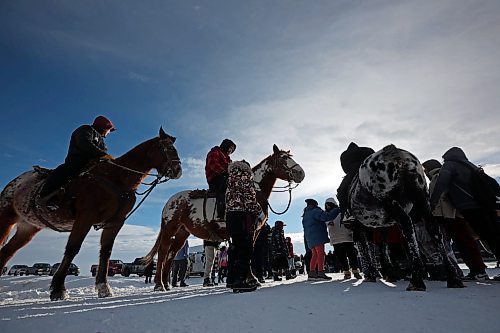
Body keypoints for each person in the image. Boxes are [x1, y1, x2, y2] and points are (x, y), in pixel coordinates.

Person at [429, 147, 500, 270]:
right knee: (494, 235)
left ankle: (478, 270)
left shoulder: (449, 165)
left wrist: (432, 203)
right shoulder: (470, 165)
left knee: (486, 236)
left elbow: (441, 183)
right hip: (486, 204)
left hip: (469, 206)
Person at [423, 159, 488, 280]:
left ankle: (478, 270)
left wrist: (435, 212)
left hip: (449, 216)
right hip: (452, 215)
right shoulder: (440, 177)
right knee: (463, 243)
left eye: (425, 169)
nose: (425, 172)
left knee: (463, 242)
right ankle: (476, 270)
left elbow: (442, 198)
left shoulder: (439, 177)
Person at [39, 116, 116, 206]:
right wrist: (103, 154)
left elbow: (103, 154)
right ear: (105, 128)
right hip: (77, 160)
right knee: (65, 171)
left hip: (92, 165)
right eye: (109, 130)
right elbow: (84, 143)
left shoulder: (103, 143)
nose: (109, 132)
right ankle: (47, 196)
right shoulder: (86, 129)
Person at [225, 160, 264, 292]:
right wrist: (260, 212)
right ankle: (241, 281)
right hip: (243, 217)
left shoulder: (230, 179)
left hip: (230, 216)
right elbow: (249, 199)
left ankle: (231, 279)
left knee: (235, 248)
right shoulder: (245, 177)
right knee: (245, 249)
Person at [302, 198, 340, 281]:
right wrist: (337, 210)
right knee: (321, 254)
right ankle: (320, 272)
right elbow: (327, 216)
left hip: (310, 238)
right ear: (314, 204)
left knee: (315, 255)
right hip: (317, 236)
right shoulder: (315, 211)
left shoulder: (306, 214)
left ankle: (311, 273)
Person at [325, 197, 362, 279]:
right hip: (346, 236)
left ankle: (348, 272)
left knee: (342, 256)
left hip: (336, 238)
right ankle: (354, 271)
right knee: (350, 255)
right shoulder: (342, 211)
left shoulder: (327, 215)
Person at [205, 138, 236, 220]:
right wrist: (223, 172)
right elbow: (213, 164)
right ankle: (221, 214)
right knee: (225, 186)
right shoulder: (215, 152)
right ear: (225, 146)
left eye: (232, 150)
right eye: (230, 148)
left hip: (226, 177)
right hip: (215, 178)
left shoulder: (228, 159)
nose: (230, 151)